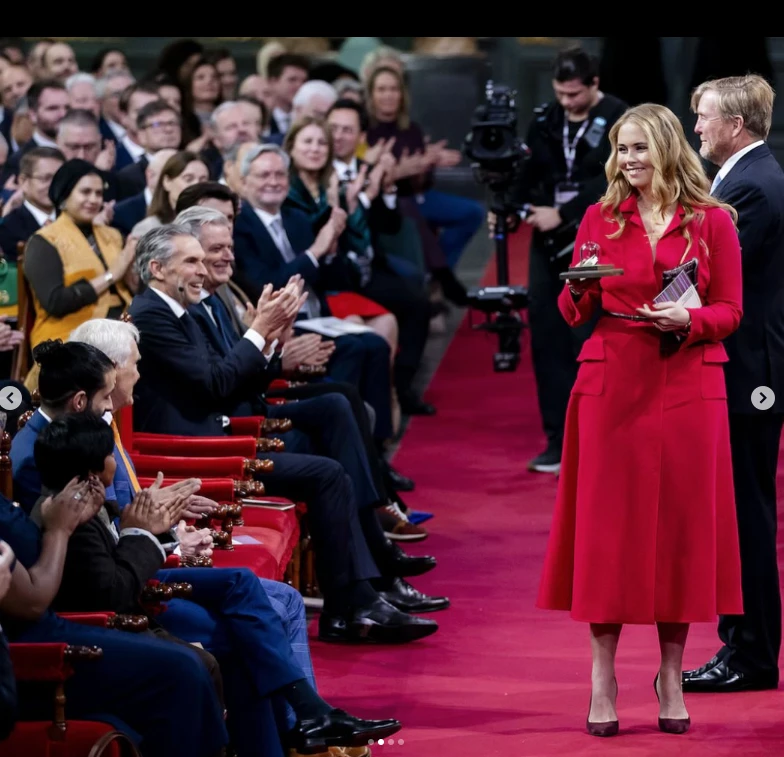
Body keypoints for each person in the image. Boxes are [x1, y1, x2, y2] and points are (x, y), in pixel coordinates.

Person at [536, 103, 744, 736]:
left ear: (667, 151)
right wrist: (577, 283)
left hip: (688, 382)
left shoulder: (711, 222)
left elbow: (732, 308)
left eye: (639, 150)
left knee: (679, 531)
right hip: (611, 381)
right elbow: (574, 311)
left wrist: (691, 320)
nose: (628, 161)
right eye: (621, 150)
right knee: (610, 535)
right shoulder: (600, 217)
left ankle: (673, 676)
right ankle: (604, 677)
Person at [682, 74, 784, 693]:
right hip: (749, 371)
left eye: (704, 116)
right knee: (740, 513)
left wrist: (645, 296)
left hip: (752, 378)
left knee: (746, 516)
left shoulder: (753, 186)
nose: (696, 126)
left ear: (735, 125)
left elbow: (706, 273)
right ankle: (743, 647)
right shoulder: (749, 177)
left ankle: (749, 655)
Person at [492, 45, 627, 474]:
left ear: (594, 84)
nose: (567, 102)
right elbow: (527, 171)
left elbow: (616, 177)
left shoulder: (621, 118)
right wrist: (508, 206)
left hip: (596, 241)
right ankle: (558, 440)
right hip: (547, 245)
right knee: (548, 336)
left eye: (574, 94)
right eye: (560, 93)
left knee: (587, 340)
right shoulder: (547, 119)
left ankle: (600, 439)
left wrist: (564, 213)